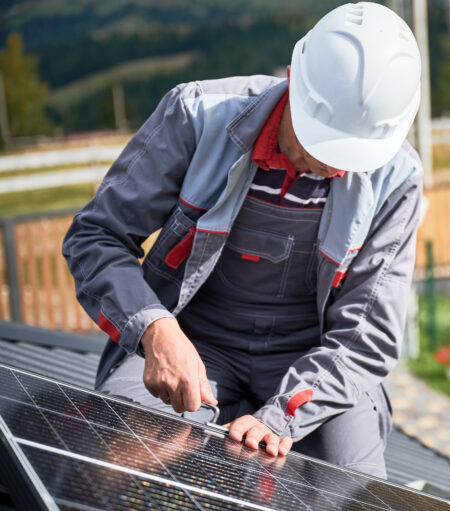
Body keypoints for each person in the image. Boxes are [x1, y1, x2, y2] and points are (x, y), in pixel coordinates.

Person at [62, 2, 422, 479]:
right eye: (326, 144)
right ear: (294, 79)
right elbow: (96, 236)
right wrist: (155, 329)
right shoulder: (197, 115)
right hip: (195, 339)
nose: (337, 167)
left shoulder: (397, 179)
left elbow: (366, 337)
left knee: (351, 482)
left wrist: (282, 416)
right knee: (126, 449)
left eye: (354, 154)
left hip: (316, 363)